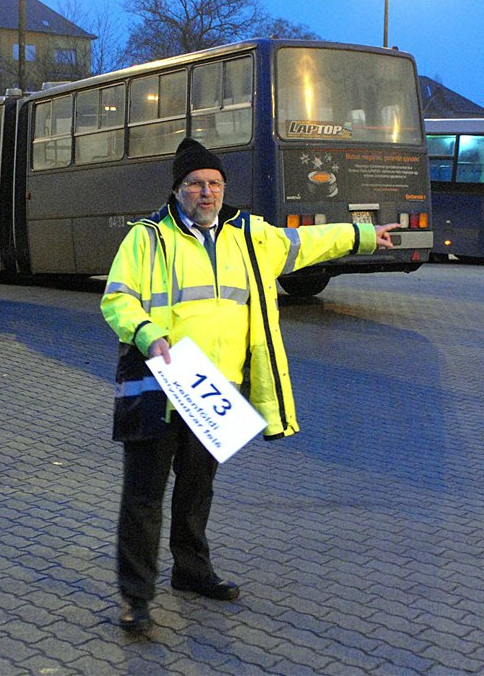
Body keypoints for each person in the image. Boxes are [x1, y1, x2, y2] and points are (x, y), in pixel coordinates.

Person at [100, 137, 398, 632]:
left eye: (214, 183)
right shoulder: (147, 238)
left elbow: (305, 244)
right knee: (144, 497)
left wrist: (363, 236)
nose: (207, 192)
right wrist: (149, 335)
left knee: (197, 491)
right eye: (195, 183)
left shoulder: (248, 236)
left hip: (213, 391)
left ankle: (191, 573)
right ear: (177, 190)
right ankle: (136, 598)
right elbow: (117, 299)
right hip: (158, 387)